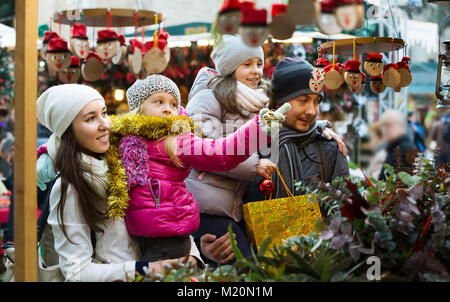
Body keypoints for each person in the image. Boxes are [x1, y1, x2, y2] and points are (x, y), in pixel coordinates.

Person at [185, 35, 347, 264]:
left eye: (259, 64)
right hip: (207, 204)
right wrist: (254, 165)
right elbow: (203, 150)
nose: (255, 71)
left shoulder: (255, 103)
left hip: (232, 209)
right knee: (245, 267)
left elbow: (343, 211)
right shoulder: (212, 99)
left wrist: (321, 127)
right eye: (246, 64)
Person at [35, 84, 204, 281]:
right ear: (69, 131)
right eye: (90, 118)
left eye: (104, 113)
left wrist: (192, 257)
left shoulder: (131, 155)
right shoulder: (71, 186)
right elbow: (76, 272)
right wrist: (146, 269)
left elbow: (166, 216)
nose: (105, 124)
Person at [116, 74, 287, 263]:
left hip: (167, 235)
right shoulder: (126, 142)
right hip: (137, 235)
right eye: (159, 102)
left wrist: (259, 130)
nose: (167, 109)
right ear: (139, 108)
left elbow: (220, 153)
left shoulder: (177, 140)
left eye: (173, 104)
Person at [245, 57, 350, 205]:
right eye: (303, 100)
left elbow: (344, 209)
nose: (311, 111)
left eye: (316, 101)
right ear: (279, 103)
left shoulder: (329, 148)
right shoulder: (254, 145)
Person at [377, 110, 418, 180]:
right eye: (382, 125)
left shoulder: (406, 150)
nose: (384, 129)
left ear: (401, 126)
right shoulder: (394, 147)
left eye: (388, 125)